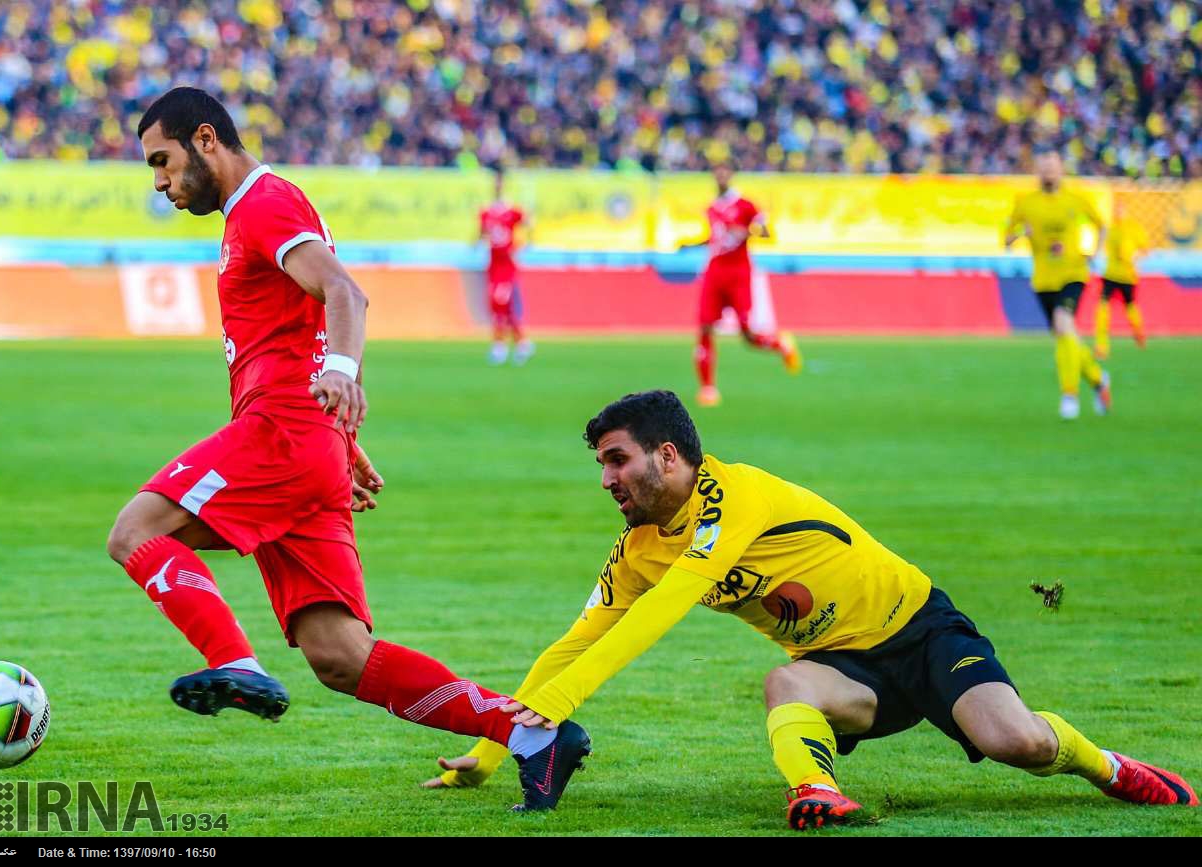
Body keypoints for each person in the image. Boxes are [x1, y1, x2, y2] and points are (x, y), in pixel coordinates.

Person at [105, 87, 586, 810]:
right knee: (340, 656)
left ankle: (234, 661)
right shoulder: (255, 215)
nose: (160, 183)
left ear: (206, 139)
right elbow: (307, 325)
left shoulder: (265, 204)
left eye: (162, 162)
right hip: (309, 443)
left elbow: (344, 294)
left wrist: (340, 377)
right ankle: (533, 736)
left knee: (137, 530)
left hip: (280, 433)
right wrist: (343, 437)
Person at [423, 390, 1197, 826]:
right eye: (600, 464)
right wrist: (494, 743)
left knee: (1016, 742)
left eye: (616, 459)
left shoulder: (735, 495)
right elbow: (573, 642)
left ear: (668, 456)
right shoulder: (637, 550)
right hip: (842, 670)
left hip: (921, 630)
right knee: (783, 682)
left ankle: (1112, 766)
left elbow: (668, 609)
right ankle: (815, 790)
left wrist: (553, 709)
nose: (606, 479)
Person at [1005, 149, 1111, 420]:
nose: (1049, 172)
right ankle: (1099, 381)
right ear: (1037, 171)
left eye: (1053, 167)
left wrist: (1095, 253)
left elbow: (1101, 226)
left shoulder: (1075, 200)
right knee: (1067, 336)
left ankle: (1069, 395)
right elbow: (1006, 239)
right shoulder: (1026, 203)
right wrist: (1020, 233)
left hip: (1073, 273)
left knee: (1064, 324)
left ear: (1061, 169)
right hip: (1043, 280)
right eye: (1044, 167)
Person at [694, 163, 800, 407]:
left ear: (731, 175)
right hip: (714, 273)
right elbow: (715, 238)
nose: (720, 176)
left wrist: (745, 230)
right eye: (716, 172)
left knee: (747, 334)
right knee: (705, 327)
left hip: (738, 274)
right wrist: (692, 244)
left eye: (724, 172)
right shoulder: (711, 208)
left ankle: (781, 344)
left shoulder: (746, 205)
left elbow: (765, 233)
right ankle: (708, 388)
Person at [478, 168, 533, 366]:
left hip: (507, 265)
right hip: (493, 265)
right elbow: (482, 233)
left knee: (504, 304)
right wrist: (478, 243)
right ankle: (520, 343)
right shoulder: (486, 211)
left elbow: (528, 223)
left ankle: (501, 346)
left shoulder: (512, 210)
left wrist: (524, 244)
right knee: (498, 306)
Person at [1094, 201, 1151, 359]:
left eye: (1120, 210)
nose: (1117, 213)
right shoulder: (1110, 229)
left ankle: (1138, 332)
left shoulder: (1133, 228)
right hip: (1110, 274)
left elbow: (1145, 249)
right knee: (1102, 308)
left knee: (1130, 306)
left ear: (1125, 211)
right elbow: (1101, 246)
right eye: (1115, 210)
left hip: (1127, 275)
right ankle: (1101, 345)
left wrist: (1133, 258)